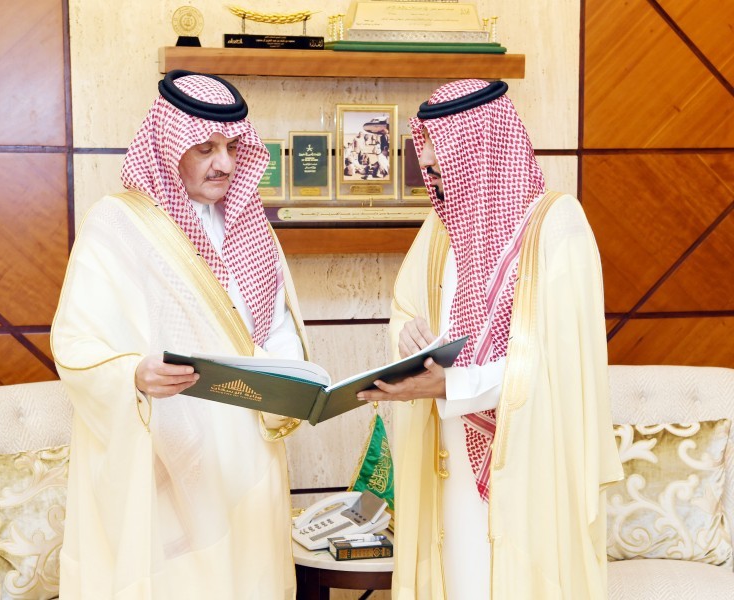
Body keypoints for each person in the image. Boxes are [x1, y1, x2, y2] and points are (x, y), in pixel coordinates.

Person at [358, 79, 623, 599]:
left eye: (439, 156)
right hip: (448, 458)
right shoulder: (440, 230)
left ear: (479, 150)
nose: (429, 171)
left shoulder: (556, 227)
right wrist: (409, 337)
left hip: (527, 462)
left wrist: (451, 386)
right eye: (426, 156)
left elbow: (554, 367)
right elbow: (406, 309)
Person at [51, 70, 307, 599]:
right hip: (166, 451)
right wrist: (134, 374)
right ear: (168, 149)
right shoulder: (117, 225)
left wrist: (298, 386)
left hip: (249, 452)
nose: (225, 164)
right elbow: (76, 345)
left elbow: (275, 326)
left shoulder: (250, 225)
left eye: (232, 147)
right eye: (205, 148)